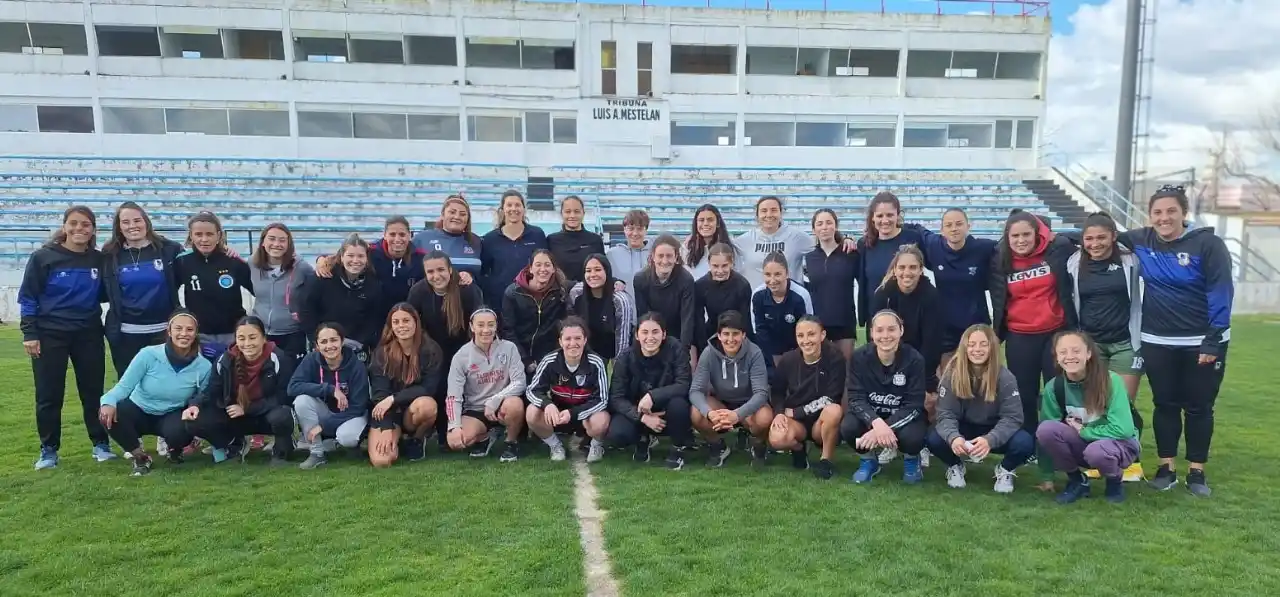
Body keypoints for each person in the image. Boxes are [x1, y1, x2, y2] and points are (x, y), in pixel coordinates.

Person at [1121, 185, 1232, 496]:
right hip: (1157, 340)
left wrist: (1213, 339)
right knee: (1165, 404)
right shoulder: (1141, 240)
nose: (1164, 218)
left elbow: (1221, 291)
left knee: (1199, 407)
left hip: (1202, 340)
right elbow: (1097, 233)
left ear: (1185, 213)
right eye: (1157, 212)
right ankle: (1166, 467)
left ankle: (1197, 472)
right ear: (1149, 216)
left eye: (1171, 211)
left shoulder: (1208, 244)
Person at [20, 205, 116, 469]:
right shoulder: (43, 257)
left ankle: (100, 444)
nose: (79, 228)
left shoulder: (98, 259)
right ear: (64, 226)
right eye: (73, 223)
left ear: (93, 229)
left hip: (88, 333)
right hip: (50, 334)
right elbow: (28, 297)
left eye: (85, 224)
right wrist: (30, 332)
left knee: (93, 392)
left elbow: (106, 292)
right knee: (49, 395)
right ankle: (49, 450)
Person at [1065, 212, 1145, 482]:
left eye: (1102, 237)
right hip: (1092, 345)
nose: (1095, 244)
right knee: (1096, 405)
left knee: (1123, 405)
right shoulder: (1075, 262)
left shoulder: (1130, 259)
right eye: (1089, 238)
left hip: (1125, 343)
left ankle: (1132, 462)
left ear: (1114, 237)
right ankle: (1102, 458)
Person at [989, 210, 1076, 440]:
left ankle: (1058, 440)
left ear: (1038, 234)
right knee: (1024, 393)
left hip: (1055, 334)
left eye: (1026, 234)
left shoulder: (1058, 248)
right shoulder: (999, 257)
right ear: (1007, 237)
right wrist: (997, 332)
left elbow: (1086, 237)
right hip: (1019, 335)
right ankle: (1028, 441)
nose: (1021, 240)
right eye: (1015, 236)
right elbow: (999, 297)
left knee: (1057, 390)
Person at [925, 324, 1034, 493]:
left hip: (993, 429)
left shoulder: (1005, 377)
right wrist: (954, 437)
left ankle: (1005, 469)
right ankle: (955, 466)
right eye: (972, 344)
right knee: (934, 438)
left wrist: (990, 439)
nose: (977, 349)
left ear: (992, 348)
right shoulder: (952, 374)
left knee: (1025, 442)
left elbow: (1013, 417)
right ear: (964, 348)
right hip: (963, 428)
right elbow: (945, 413)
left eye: (983, 344)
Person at [100, 311, 210, 476]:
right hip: (140, 409)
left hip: (172, 413)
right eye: (178, 328)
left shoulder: (204, 366)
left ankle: (175, 450)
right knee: (109, 414)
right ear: (169, 331)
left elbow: (203, 396)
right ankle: (140, 456)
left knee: (185, 427)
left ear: (196, 333)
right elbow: (124, 386)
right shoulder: (148, 354)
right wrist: (108, 401)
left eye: (189, 329)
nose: (184, 334)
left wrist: (194, 408)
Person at [1037, 331, 1139, 504]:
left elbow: (1124, 429)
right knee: (1046, 429)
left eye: (1076, 351)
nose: (1070, 357)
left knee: (1096, 451)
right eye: (1063, 352)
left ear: (1089, 354)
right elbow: (1045, 434)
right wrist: (1046, 476)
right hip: (1085, 444)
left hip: (1120, 444)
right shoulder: (1054, 387)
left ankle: (1114, 481)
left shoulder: (1111, 381)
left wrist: (1084, 431)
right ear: (1057, 357)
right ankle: (1077, 481)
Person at [185, 315, 296, 466]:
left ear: (264, 338)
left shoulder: (279, 358)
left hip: (266, 414)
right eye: (241, 338)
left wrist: (247, 408)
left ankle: (282, 449)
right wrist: (195, 405)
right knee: (194, 421)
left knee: (282, 415)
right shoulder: (224, 360)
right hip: (235, 416)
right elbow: (211, 391)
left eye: (252, 337)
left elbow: (284, 397)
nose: (247, 343)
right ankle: (233, 443)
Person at [841, 310, 928, 485]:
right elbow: (856, 398)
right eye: (879, 330)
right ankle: (868, 460)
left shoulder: (914, 359)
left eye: (891, 329)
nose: (885, 335)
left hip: (901, 416)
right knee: (849, 427)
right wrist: (876, 422)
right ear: (872, 333)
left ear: (901, 331)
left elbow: (914, 405)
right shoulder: (859, 357)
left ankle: (912, 460)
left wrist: (882, 428)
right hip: (873, 416)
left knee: (913, 437)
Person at [101, 201, 183, 377]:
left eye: (137, 220)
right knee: (130, 385)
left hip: (163, 331)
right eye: (126, 222)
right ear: (119, 227)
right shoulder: (109, 254)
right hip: (126, 334)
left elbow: (196, 266)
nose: (132, 226)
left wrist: (224, 250)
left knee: (165, 382)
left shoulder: (170, 249)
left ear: (146, 221)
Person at [910, 208, 997, 370]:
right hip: (945, 324)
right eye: (949, 225)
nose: (954, 228)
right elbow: (917, 229)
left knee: (979, 372)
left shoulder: (983, 247)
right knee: (948, 373)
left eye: (959, 224)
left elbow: (1010, 244)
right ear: (942, 230)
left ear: (968, 226)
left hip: (976, 322)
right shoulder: (934, 245)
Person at [607, 313, 694, 469]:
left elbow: (684, 384)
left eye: (655, 332)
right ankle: (643, 439)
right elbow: (616, 398)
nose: (650, 337)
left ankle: (677, 448)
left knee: (679, 406)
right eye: (645, 332)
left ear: (664, 334)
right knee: (618, 433)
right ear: (637, 335)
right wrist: (642, 417)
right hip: (638, 411)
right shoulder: (625, 357)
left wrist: (652, 396)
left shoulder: (676, 349)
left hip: (667, 410)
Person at [690, 311, 772, 468]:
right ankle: (718, 446)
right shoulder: (708, 353)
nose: (730, 339)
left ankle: (758, 445)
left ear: (743, 335)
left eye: (735, 334)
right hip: (721, 403)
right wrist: (709, 413)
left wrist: (737, 414)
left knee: (765, 418)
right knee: (696, 412)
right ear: (719, 335)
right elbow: (695, 390)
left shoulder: (754, 352)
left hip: (749, 405)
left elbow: (761, 393)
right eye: (726, 334)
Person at [445, 309, 528, 462]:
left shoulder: (509, 348)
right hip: (476, 409)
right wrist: (454, 426)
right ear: (472, 327)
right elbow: (452, 396)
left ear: (496, 326)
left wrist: (495, 400)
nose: (486, 330)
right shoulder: (461, 356)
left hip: (502, 406)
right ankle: (485, 437)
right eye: (480, 325)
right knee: (457, 440)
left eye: (490, 325)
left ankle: (510, 442)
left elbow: (520, 382)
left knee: (515, 404)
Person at [768, 317, 845, 480]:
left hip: (821, 420)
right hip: (797, 422)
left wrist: (797, 412)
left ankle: (826, 460)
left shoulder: (835, 358)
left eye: (811, 334)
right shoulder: (788, 359)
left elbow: (832, 397)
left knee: (834, 410)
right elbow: (777, 392)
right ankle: (798, 448)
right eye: (800, 335)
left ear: (822, 335)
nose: (806, 340)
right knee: (777, 438)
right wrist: (779, 413)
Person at [525, 317, 611, 463]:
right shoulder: (549, 361)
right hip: (559, 415)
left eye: (578, 338)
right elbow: (532, 390)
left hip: (584, 414)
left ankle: (596, 445)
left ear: (585, 340)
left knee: (601, 419)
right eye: (568, 339)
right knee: (532, 412)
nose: (572, 343)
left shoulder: (596, 362)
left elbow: (602, 400)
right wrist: (547, 404)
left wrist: (573, 413)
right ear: (560, 341)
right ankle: (555, 445)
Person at [366, 304, 443, 468]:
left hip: (412, 413)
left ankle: (416, 439)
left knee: (427, 405)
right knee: (382, 461)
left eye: (406, 321)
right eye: (396, 322)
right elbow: (380, 396)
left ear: (416, 322)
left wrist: (394, 398)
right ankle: (397, 439)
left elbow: (428, 388)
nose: (401, 326)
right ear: (391, 326)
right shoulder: (382, 353)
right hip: (389, 413)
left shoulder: (431, 349)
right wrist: (386, 427)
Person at [288, 322, 372, 470]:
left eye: (334, 340)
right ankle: (317, 453)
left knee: (347, 438)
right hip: (325, 411)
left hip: (351, 415)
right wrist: (330, 389)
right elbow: (293, 387)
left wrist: (323, 426)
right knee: (302, 401)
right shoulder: (311, 360)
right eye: (324, 342)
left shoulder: (356, 366)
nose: (329, 346)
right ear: (317, 345)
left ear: (342, 341)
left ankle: (341, 443)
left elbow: (358, 407)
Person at [172, 211, 254, 361]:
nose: (204, 239)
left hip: (232, 334)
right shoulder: (182, 262)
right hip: (199, 335)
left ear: (219, 235)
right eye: (198, 234)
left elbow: (258, 291)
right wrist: (182, 315)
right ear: (191, 236)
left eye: (209, 234)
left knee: (233, 373)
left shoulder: (234, 262)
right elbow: (170, 293)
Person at [871, 244, 941, 401]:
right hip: (888, 359)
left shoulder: (931, 296)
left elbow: (931, 343)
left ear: (921, 270)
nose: (907, 273)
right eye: (902, 267)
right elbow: (875, 338)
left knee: (927, 402)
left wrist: (917, 375)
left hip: (920, 362)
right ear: (895, 270)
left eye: (913, 267)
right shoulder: (883, 294)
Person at [298, 233, 386, 360]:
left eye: (360, 256)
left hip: (356, 345)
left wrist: (361, 341)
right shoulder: (323, 278)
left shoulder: (373, 285)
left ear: (367, 259)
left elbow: (374, 318)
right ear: (342, 257)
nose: (355, 260)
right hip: (324, 343)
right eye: (350, 255)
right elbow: (306, 310)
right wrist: (316, 338)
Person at [316, 216, 426, 310]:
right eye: (392, 234)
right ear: (385, 235)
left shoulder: (421, 258)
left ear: (410, 235)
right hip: (375, 315)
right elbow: (341, 257)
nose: (397, 239)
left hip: (406, 317)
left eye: (402, 234)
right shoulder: (371, 251)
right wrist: (321, 260)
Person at [855, 192, 925, 336]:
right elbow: (863, 282)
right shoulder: (865, 244)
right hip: (877, 318)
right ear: (873, 217)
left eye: (890, 215)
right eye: (880, 216)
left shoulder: (913, 238)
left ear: (898, 215)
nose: (885, 220)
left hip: (910, 317)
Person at [406, 250, 483, 371]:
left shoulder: (467, 290)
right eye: (430, 272)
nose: (436, 276)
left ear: (450, 270)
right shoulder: (418, 292)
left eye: (441, 270)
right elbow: (411, 322)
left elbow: (479, 322)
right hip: (430, 352)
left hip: (464, 352)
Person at [249, 223, 314, 363]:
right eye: (271, 239)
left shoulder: (302, 268)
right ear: (263, 242)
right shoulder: (252, 264)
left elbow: (317, 290)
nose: (276, 244)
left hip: (291, 335)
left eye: (282, 240)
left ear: (289, 244)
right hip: (260, 333)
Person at [502, 249, 570, 372]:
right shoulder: (513, 293)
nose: (543, 269)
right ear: (530, 269)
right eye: (538, 265)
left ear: (553, 269)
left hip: (549, 356)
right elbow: (508, 330)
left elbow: (565, 324)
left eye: (547, 265)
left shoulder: (560, 291)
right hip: (519, 356)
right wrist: (525, 360)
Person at [804, 209, 859, 360]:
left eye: (829, 223)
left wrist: (848, 239)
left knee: (845, 367)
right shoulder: (809, 258)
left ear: (836, 226)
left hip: (844, 321)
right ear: (814, 229)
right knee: (821, 369)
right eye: (820, 224)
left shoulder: (850, 253)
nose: (824, 227)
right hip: (819, 323)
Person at [632, 234, 698, 359]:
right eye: (660, 256)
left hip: (677, 332)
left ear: (676, 257)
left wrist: (684, 351)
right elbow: (643, 316)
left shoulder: (686, 280)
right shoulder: (641, 279)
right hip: (652, 332)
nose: (665, 261)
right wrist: (648, 344)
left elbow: (687, 318)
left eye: (669, 256)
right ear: (653, 256)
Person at [481, 189, 548, 308]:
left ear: (524, 209)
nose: (513, 209)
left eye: (517, 205)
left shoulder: (537, 234)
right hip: (499, 301)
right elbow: (484, 272)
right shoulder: (490, 239)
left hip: (531, 300)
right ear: (502, 210)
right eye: (509, 205)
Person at [733, 196, 814, 289]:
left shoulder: (797, 237)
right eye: (764, 211)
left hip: (790, 296)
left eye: (774, 210)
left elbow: (821, 249)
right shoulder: (743, 240)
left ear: (781, 213)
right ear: (757, 215)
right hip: (755, 296)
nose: (769, 215)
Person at [750, 252, 814, 367]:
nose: (772, 280)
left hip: (797, 353)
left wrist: (794, 358)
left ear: (787, 274)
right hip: (770, 354)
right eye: (768, 274)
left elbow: (808, 329)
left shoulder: (801, 295)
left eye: (777, 274)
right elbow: (760, 331)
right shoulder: (758, 295)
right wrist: (771, 361)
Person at [568, 254, 635, 361]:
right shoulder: (576, 293)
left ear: (607, 272)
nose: (593, 274)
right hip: (585, 352)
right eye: (588, 271)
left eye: (598, 270)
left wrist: (619, 364)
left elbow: (623, 338)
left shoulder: (620, 300)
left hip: (611, 352)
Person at [413, 195, 483, 285]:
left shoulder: (476, 241)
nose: (457, 217)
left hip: (467, 293)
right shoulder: (421, 239)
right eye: (452, 212)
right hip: (430, 293)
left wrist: (470, 276)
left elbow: (483, 274)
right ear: (443, 215)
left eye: (462, 214)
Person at [694, 242, 753, 349]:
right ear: (709, 263)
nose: (720, 271)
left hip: (735, 335)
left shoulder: (742, 285)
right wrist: (702, 347)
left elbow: (745, 320)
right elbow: (699, 320)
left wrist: (745, 346)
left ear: (731, 263)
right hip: (711, 334)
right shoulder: (700, 285)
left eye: (724, 265)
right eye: (715, 266)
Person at [547, 195, 604, 283]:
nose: (572, 215)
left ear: (583, 213)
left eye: (577, 211)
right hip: (560, 290)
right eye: (568, 211)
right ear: (561, 214)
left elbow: (604, 269)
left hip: (588, 290)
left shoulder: (595, 240)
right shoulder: (551, 240)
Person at [606, 209, 651, 299]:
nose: (635, 233)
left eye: (640, 229)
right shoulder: (611, 254)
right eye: (631, 228)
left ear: (646, 230)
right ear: (624, 230)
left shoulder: (655, 254)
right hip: (622, 306)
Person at [683, 204, 734, 280]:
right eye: (701, 220)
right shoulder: (687, 247)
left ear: (718, 223)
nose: (705, 223)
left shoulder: (729, 247)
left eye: (710, 220)